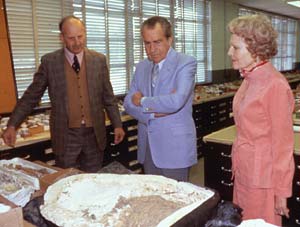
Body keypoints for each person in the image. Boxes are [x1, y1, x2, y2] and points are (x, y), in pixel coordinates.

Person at [2, 15, 125, 173]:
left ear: (85, 33)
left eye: (80, 36)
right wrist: (13, 124)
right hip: (66, 136)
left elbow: (108, 97)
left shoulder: (98, 60)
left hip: (94, 134)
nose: (77, 42)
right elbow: (31, 96)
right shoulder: (50, 62)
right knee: (65, 181)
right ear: (62, 37)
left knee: (93, 179)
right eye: (71, 38)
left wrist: (118, 124)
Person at [227, 14, 295, 226]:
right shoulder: (249, 77)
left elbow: (283, 145)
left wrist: (282, 192)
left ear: (255, 50)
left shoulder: (275, 85)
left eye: (235, 48)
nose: (229, 52)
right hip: (244, 172)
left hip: (263, 180)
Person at [124, 16, 197, 182]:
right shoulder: (141, 67)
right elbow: (128, 103)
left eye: (157, 42)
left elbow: (176, 102)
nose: (152, 49)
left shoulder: (185, 63)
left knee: (177, 200)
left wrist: (142, 102)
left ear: (169, 40)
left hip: (175, 149)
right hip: (148, 148)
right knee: (153, 199)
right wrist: (151, 113)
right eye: (147, 43)